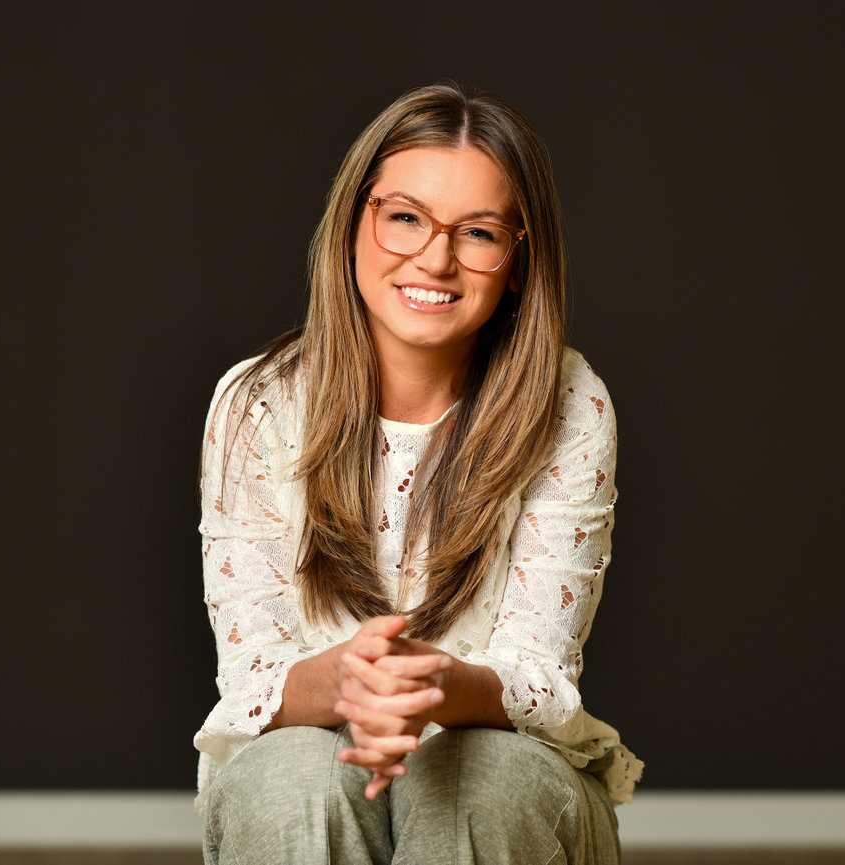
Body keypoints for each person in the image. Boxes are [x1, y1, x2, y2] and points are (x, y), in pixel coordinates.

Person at [194, 82, 642, 864]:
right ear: (354, 221)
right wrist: (346, 682)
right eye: (404, 216)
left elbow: (538, 677)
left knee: (477, 780)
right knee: (293, 773)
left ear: (517, 259)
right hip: (302, 777)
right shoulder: (256, 403)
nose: (433, 256)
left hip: (513, 792)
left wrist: (432, 682)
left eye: (477, 232)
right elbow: (252, 680)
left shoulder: (571, 404)